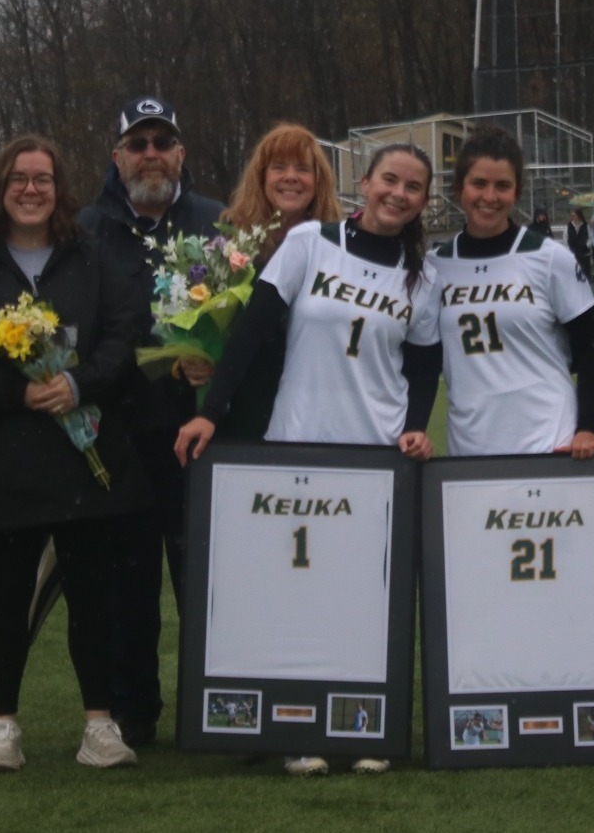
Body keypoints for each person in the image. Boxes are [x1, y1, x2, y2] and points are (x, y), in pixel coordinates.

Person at [175, 141, 444, 777]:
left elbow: (424, 364)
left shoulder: (423, 276)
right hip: (297, 441)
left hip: (377, 456)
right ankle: (302, 728)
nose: (398, 194)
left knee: (365, 599)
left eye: (412, 187)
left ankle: (367, 726)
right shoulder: (309, 245)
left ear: (422, 201)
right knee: (299, 595)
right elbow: (252, 332)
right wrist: (210, 410)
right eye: (389, 180)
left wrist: (414, 428)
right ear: (366, 182)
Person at [0, 134, 154, 773]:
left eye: (43, 179)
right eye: (19, 179)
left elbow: (122, 336)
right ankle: (4, 728)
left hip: (89, 459)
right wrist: (15, 393)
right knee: (7, 598)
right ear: (0, 189)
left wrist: (77, 384)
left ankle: (99, 727)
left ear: (60, 190)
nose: (31, 190)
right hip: (8, 461)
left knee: (93, 596)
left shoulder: (92, 257)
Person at [73, 96, 225, 745]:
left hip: (199, 435)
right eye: (139, 143)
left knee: (208, 583)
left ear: (182, 152)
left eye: (164, 140)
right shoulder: (85, 229)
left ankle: (216, 708)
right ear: (117, 156)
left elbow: (243, 323)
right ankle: (136, 712)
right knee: (129, 587)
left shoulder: (218, 221)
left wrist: (214, 364)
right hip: (122, 437)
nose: (152, 153)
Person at [430, 125, 594, 459]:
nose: (490, 196)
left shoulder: (549, 258)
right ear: (458, 189)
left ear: (517, 192)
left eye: (503, 186)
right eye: (479, 183)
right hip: (469, 447)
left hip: (549, 439)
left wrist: (588, 426)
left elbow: (591, 348)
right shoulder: (435, 267)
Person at [210, 121, 342, 440]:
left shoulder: (340, 248)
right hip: (243, 409)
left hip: (317, 412)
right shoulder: (229, 245)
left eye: (303, 169)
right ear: (261, 178)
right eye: (279, 167)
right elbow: (209, 331)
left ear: (318, 180)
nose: (291, 177)